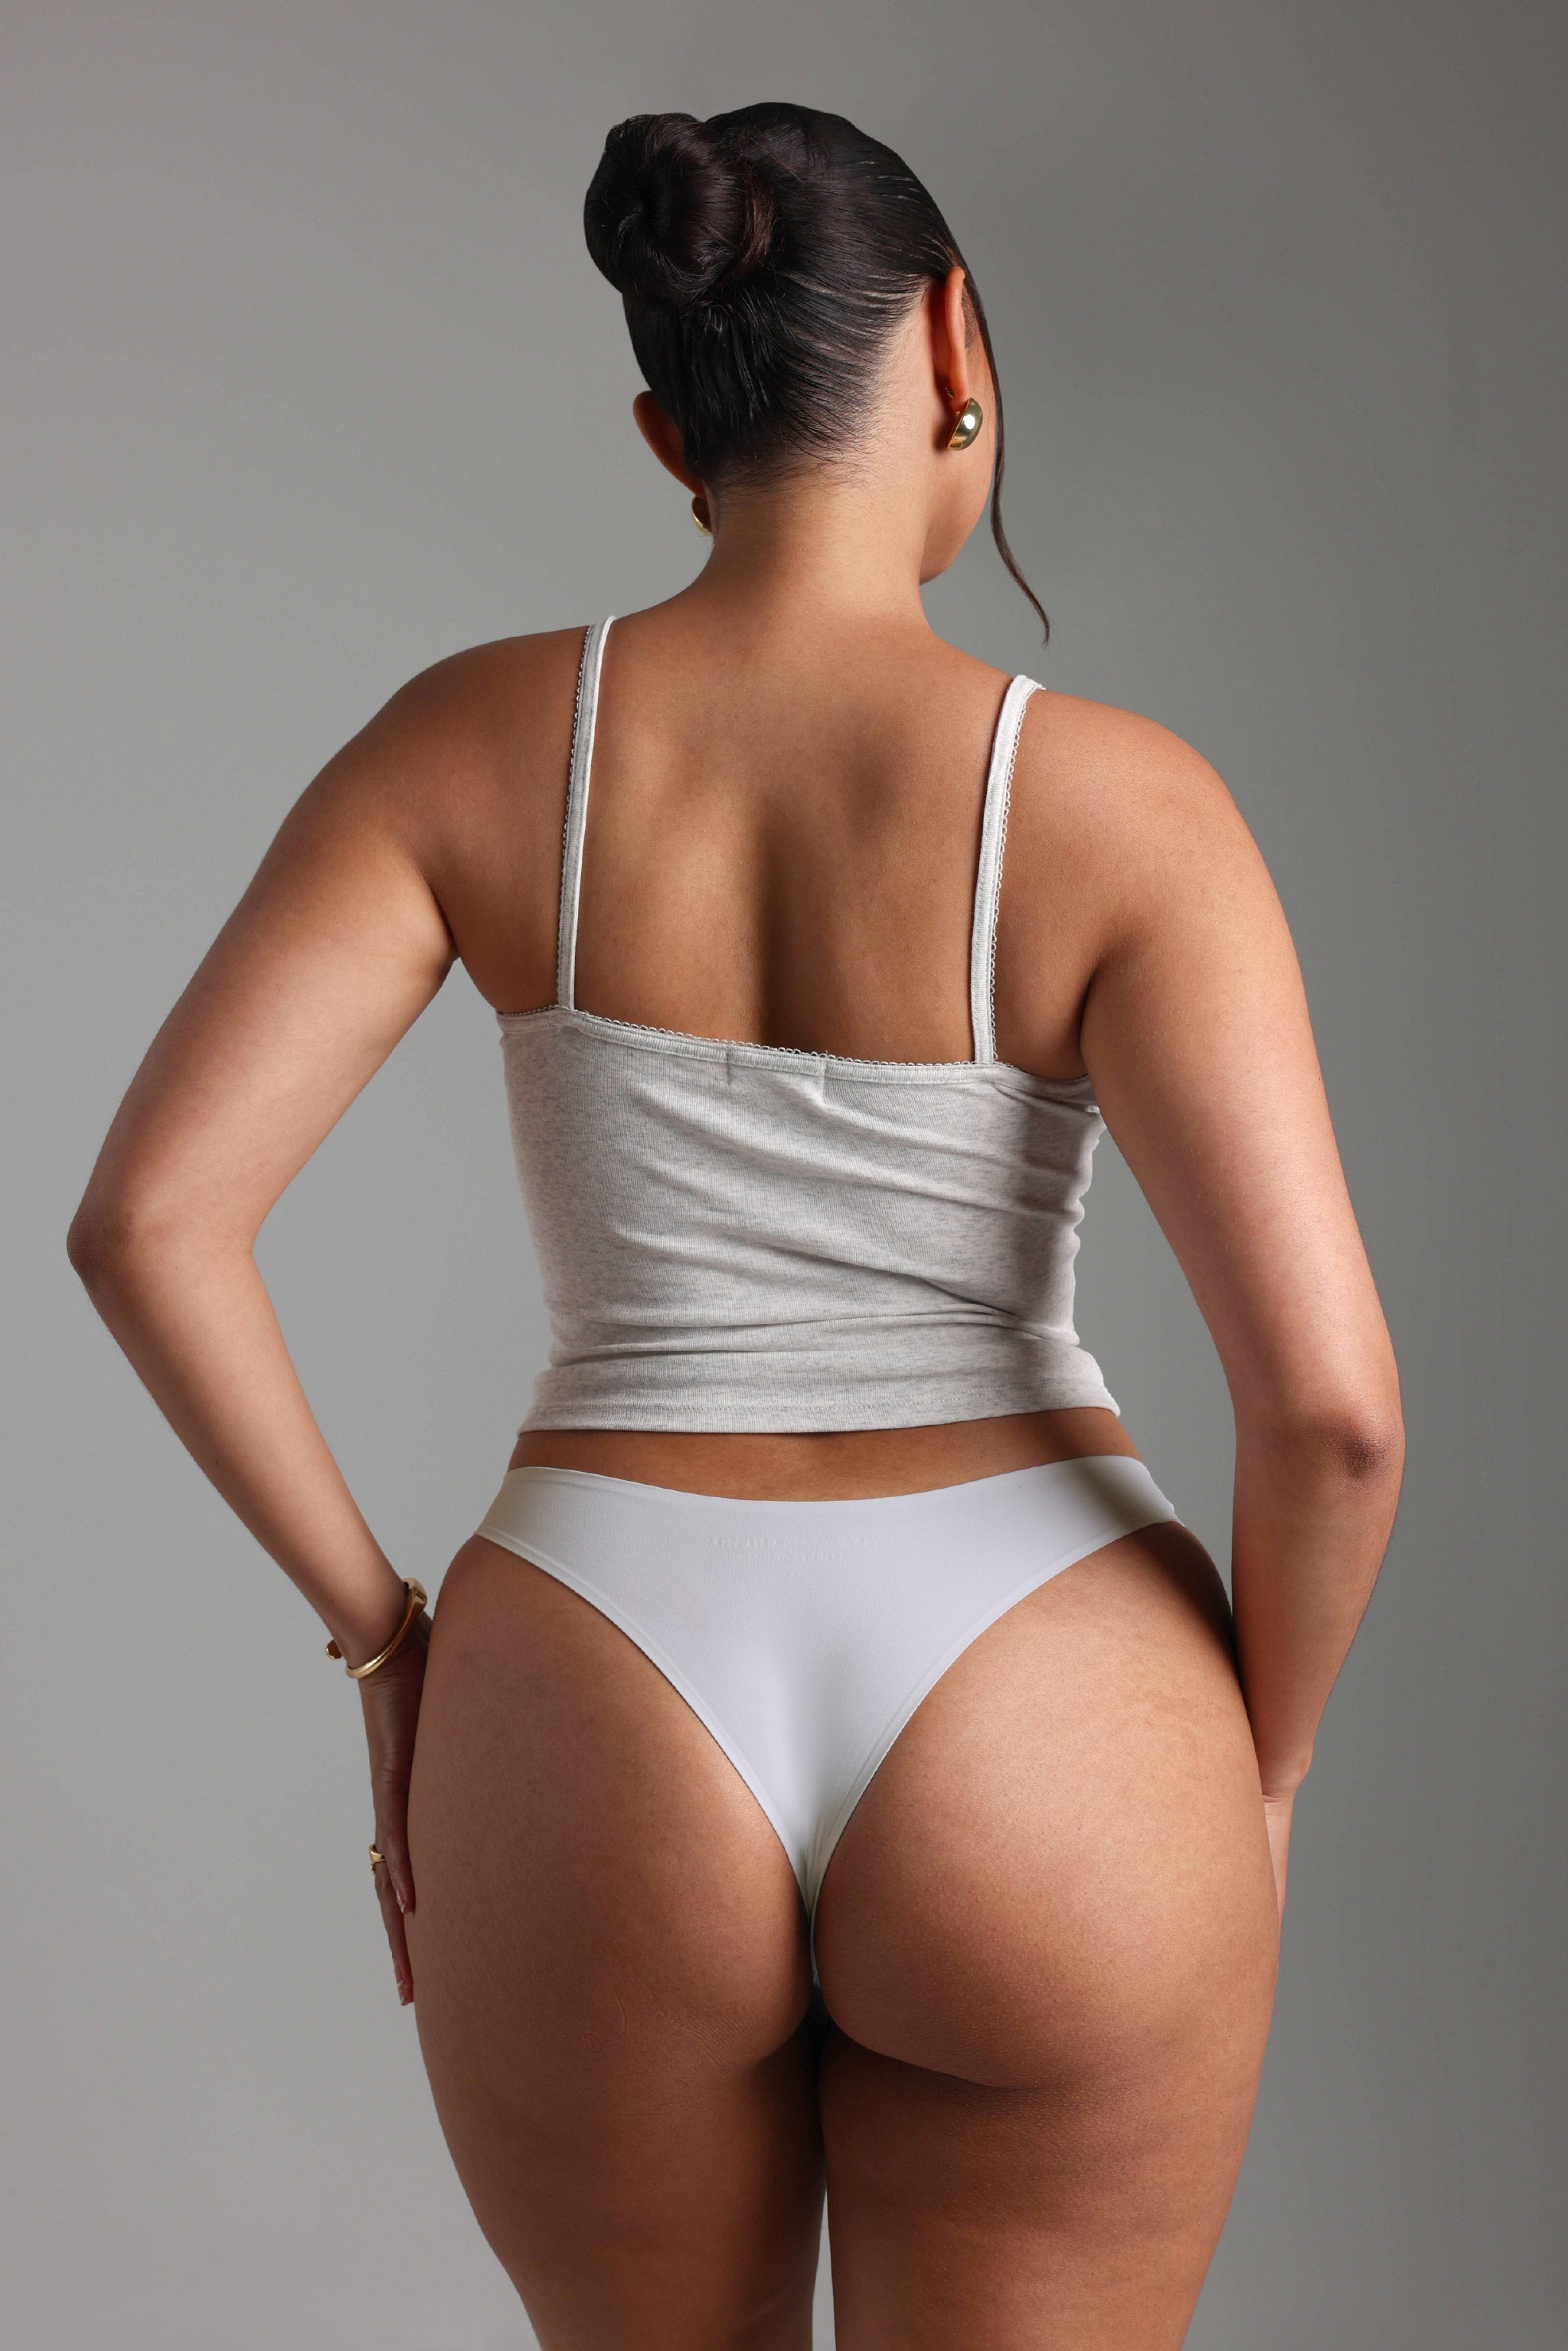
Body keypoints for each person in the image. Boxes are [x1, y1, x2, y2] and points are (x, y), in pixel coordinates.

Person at [67, 101, 1404, 2351]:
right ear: (954, 341)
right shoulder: (1126, 806)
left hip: (597, 1675)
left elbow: (145, 1223)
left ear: (667, 427)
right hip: (1047, 1679)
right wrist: (1250, 1776)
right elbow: (1337, 1420)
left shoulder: (469, 742)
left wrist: (389, 1648)